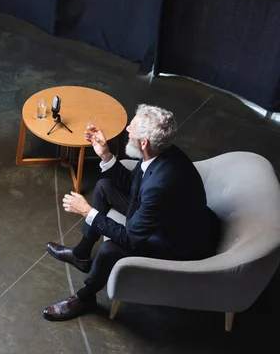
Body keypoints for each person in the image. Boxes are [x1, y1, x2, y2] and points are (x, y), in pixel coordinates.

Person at [42, 104, 220, 321]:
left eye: (131, 127)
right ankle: (81, 254)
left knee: (109, 249)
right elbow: (134, 185)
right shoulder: (159, 153)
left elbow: (130, 238)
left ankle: (86, 297)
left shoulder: (160, 184)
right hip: (164, 217)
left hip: (176, 243)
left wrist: (88, 212)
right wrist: (105, 154)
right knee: (104, 186)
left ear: (144, 142)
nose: (126, 129)